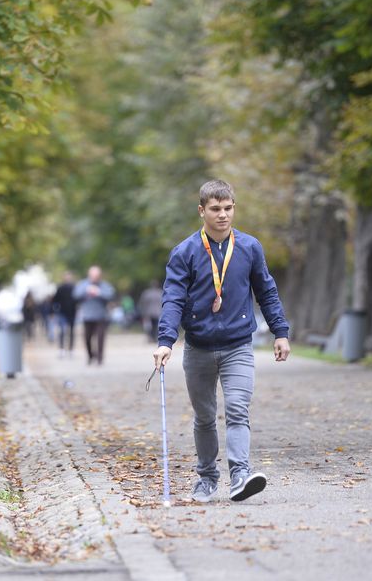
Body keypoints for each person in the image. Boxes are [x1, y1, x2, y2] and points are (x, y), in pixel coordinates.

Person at [153, 180, 291, 503]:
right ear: (202, 211)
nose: (223, 215)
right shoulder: (184, 253)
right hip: (198, 347)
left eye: (228, 208)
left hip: (237, 346)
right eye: (215, 209)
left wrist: (280, 332)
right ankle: (206, 477)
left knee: (237, 409)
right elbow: (172, 299)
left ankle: (240, 475)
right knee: (204, 417)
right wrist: (165, 341)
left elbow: (266, 291)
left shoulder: (249, 248)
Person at [73, 265, 115, 365]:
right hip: (87, 316)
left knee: (100, 338)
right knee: (87, 338)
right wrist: (86, 291)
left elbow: (110, 295)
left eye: (96, 275)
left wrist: (98, 292)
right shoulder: (83, 284)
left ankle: (100, 358)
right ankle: (91, 355)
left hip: (101, 316)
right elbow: (75, 295)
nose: (94, 277)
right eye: (93, 275)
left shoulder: (104, 285)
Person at [51, 271, 78, 357]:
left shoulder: (74, 288)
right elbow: (55, 300)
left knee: (71, 331)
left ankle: (71, 349)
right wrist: (54, 311)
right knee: (62, 331)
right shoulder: (60, 288)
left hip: (72, 312)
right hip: (62, 312)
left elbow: (77, 300)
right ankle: (61, 349)